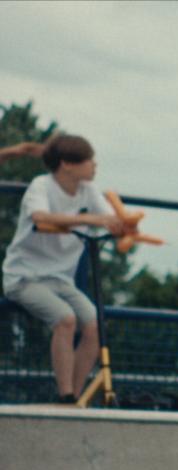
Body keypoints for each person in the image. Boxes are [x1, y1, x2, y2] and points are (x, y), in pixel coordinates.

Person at [2, 135, 124, 402]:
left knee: (94, 325)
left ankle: (74, 399)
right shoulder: (41, 186)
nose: (95, 165)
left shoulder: (88, 190)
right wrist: (90, 218)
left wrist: (119, 225)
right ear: (67, 164)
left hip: (61, 279)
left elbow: (107, 217)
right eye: (89, 160)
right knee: (65, 319)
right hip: (25, 277)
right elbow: (41, 217)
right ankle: (64, 394)